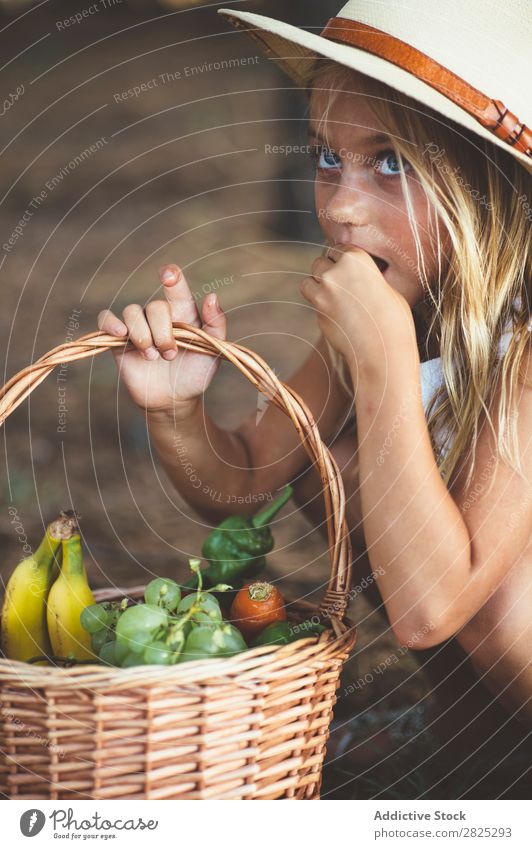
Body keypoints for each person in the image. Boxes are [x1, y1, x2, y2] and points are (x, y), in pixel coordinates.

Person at [97, 1, 531, 794]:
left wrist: (387, 362)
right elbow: (246, 482)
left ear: (490, 181)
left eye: (390, 162)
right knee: (329, 463)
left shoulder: (521, 351)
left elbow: (431, 609)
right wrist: (178, 411)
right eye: (327, 157)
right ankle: (474, 745)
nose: (339, 206)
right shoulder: (382, 313)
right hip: (491, 712)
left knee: (501, 591)